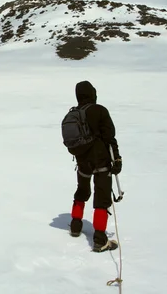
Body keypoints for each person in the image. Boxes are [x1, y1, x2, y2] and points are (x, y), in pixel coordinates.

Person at [69, 80, 122, 252]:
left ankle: (75, 225)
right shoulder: (100, 111)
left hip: (82, 161)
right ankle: (100, 239)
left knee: (82, 191)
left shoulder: (75, 113)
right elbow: (109, 137)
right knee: (102, 198)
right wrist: (117, 159)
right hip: (101, 161)